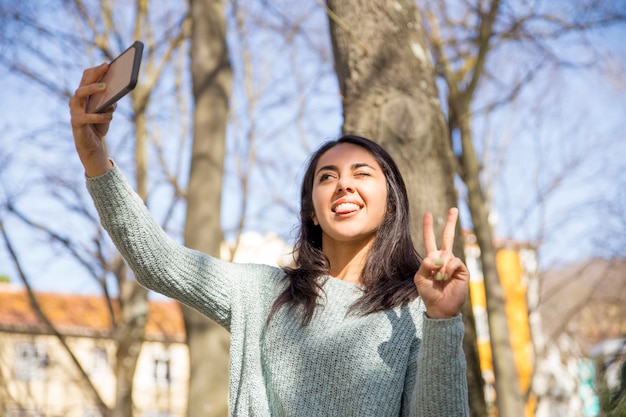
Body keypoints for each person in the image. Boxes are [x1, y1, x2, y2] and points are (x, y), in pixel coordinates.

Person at [69, 63, 470, 416]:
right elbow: (157, 261)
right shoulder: (262, 293)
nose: (343, 184)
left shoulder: (418, 313)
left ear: (390, 203)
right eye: (326, 177)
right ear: (312, 210)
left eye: (361, 173)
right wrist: (94, 158)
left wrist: (443, 319)